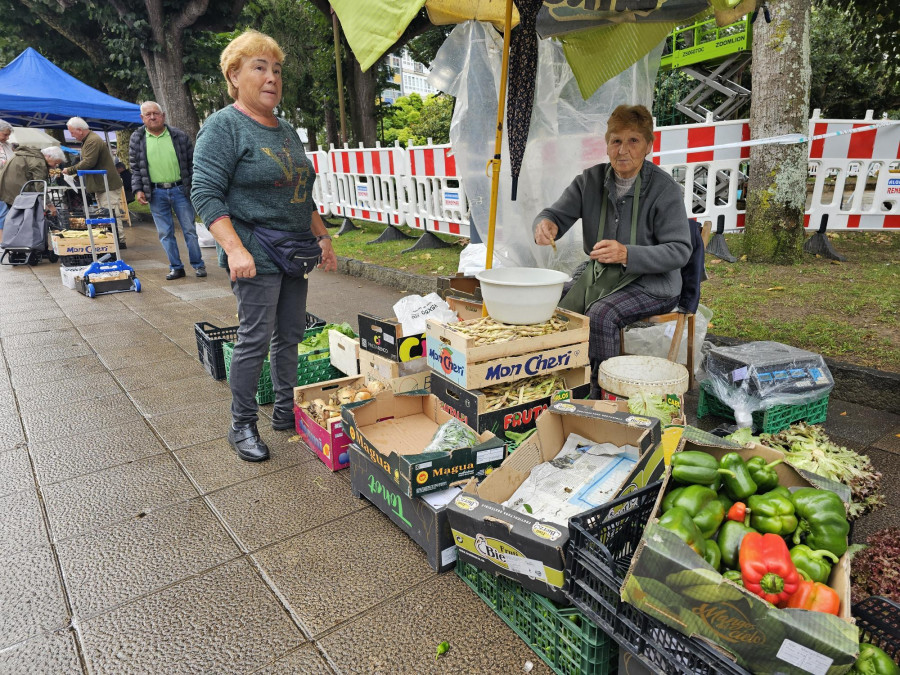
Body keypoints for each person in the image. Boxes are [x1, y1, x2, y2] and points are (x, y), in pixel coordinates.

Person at [192, 30, 337, 463]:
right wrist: (235, 249)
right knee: (255, 338)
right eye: (259, 67)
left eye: (276, 69)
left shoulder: (286, 129)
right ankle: (241, 425)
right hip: (255, 252)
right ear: (234, 75)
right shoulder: (224, 126)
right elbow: (205, 193)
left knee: (290, 334)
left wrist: (323, 236)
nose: (271, 77)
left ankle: (285, 410)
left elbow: (300, 193)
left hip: (294, 250)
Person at [533, 104, 691, 398]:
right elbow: (554, 213)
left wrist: (627, 254)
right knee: (553, 300)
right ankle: (565, 379)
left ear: (648, 145)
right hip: (603, 274)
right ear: (606, 145)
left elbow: (680, 251)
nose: (623, 150)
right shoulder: (589, 181)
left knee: (601, 314)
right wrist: (546, 224)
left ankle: (601, 395)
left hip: (654, 282)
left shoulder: (664, 189)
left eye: (633, 141)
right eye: (616, 140)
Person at [129, 101, 205, 280]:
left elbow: (192, 163)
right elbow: (135, 168)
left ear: (163, 115)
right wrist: (138, 190)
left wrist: (194, 186)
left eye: (156, 113)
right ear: (142, 118)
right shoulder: (137, 138)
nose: (152, 117)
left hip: (180, 189)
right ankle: (176, 267)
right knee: (165, 233)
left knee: (189, 230)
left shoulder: (179, 136)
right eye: (148, 114)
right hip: (155, 193)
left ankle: (198, 265)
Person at [63, 117, 126, 247]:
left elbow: (88, 162)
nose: (71, 135)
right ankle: (113, 239)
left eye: (72, 132)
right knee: (106, 212)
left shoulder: (92, 141)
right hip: (102, 184)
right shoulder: (90, 140)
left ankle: (119, 241)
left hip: (107, 184)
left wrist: (70, 170)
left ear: (80, 130)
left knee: (110, 212)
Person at [0, 146, 66, 229]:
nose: (55, 166)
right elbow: (40, 185)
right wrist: (49, 205)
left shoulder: (27, 155)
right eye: (55, 163)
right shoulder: (39, 162)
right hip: (16, 193)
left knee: (9, 219)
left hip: (6, 190)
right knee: (22, 221)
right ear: (48, 156)